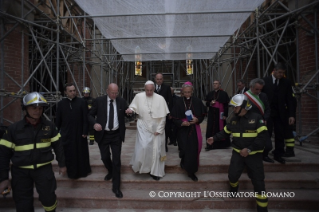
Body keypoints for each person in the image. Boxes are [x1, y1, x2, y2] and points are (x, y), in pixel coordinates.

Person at [0, 92, 66, 212]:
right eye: (34, 108)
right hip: (21, 172)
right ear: (26, 108)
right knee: (23, 203)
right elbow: (3, 155)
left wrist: (62, 164)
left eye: (40, 108)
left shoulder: (50, 127)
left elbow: (59, 147)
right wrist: (3, 178)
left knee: (49, 199)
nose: (37, 111)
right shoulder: (13, 129)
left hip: (43, 170)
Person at [207, 94, 268, 212]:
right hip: (237, 153)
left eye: (235, 107)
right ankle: (234, 189)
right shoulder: (234, 119)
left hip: (253, 155)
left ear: (244, 106)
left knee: (258, 182)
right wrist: (214, 138)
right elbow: (225, 132)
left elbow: (262, 138)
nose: (233, 110)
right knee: (233, 175)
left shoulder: (257, 118)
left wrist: (249, 149)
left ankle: (262, 209)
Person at [88, 83, 128, 198]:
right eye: (112, 93)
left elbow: (128, 114)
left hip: (116, 135)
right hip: (103, 134)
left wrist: (130, 112)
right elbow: (89, 115)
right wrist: (94, 124)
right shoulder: (99, 101)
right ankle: (110, 170)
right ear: (107, 91)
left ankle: (116, 187)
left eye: (116, 93)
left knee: (117, 161)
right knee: (105, 157)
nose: (114, 95)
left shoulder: (121, 101)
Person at [126, 80, 169, 181]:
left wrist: (159, 129)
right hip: (143, 126)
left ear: (154, 89)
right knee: (144, 147)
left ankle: (155, 172)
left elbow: (163, 117)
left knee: (156, 150)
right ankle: (143, 167)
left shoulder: (160, 98)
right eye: (147, 90)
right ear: (144, 89)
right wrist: (130, 110)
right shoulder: (139, 96)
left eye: (151, 90)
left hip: (157, 127)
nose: (149, 92)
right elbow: (133, 107)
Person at [171, 82, 206, 182]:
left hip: (194, 129)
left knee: (192, 150)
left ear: (192, 91)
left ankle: (191, 172)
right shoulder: (178, 102)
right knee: (183, 149)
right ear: (182, 92)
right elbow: (174, 118)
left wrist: (197, 120)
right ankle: (184, 161)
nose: (187, 94)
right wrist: (182, 123)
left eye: (189, 92)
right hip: (182, 130)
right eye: (185, 92)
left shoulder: (197, 101)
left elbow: (202, 115)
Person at [55, 83, 91, 179]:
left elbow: (85, 118)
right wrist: (56, 132)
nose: (73, 92)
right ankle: (71, 172)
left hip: (79, 133)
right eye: (70, 91)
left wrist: (85, 131)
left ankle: (83, 171)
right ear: (65, 92)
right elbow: (58, 120)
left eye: (74, 90)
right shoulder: (61, 104)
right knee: (68, 152)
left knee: (80, 152)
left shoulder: (82, 102)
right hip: (67, 133)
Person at [262, 62, 296, 164]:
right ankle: (265, 154)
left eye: (283, 73)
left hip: (281, 113)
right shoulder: (265, 81)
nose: (281, 74)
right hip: (268, 113)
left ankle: (278, 154)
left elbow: (290, 100)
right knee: (266, 133)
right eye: (280, 72)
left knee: (280, 134)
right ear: (274, 71)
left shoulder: (286, 82)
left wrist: (291, 115)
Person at [244, 78, 273, 163]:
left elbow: (268, 109)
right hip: (250, 123)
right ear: (251, 87)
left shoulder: (263, 96)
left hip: (262, 123)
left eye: (260, 89)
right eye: (257, 89)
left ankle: (265, 155)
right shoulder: (245, 96)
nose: (258, 91)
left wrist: (265, 119)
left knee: (267, 144)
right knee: (250, 143)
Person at [205, 80, 230, 150]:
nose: (215, 85)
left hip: (220, 114)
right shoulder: (210, 93)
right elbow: (206, 103)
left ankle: (221, 145)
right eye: (214, 84)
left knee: (220, 128)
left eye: (216, 83)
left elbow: (226, 105)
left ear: (219, 85)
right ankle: (210, 144)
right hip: (212, 114)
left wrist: (225, 115)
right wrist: (210, 103)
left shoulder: (224, 93)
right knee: (210, 128)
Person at [154, 73, 173, 152]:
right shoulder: (151, 87)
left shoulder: (167, 87)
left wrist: (170, 113)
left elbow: (170, 100)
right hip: (154, 113)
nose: (159, 80)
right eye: (157, 79)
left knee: (164, 130)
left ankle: (164, 146)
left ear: (163, 79)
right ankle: (155, 146)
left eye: (160, 79)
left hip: (163, 113)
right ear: (155, 79)